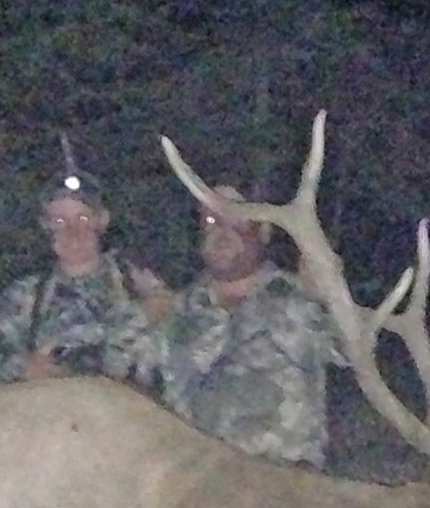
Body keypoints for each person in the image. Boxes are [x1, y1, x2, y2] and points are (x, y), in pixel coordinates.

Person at [136, 184, 345, 467]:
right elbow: (121, 378)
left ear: (264, 230)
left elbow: (353, 354)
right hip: (195, 487)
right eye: (211, 219)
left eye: (237, 217)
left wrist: (334, 297)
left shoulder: (301, 302)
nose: (222, 229)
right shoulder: (174, 311)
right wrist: (147, 319)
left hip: (287, 484)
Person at [0, 171, 169, 382]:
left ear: (102, 220)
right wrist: (23, 367)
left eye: (83, 218)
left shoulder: (139, 284)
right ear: (45, 225)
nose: (73, 231)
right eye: (59, 220)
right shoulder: (26, 296)